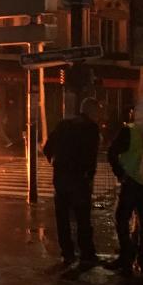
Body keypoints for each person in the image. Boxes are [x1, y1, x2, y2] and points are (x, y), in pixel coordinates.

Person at [43, 97, 100, 265]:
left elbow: (47, 147)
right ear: (92, 112)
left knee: (62, 217)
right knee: (83, 217)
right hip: (79, 178)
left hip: (60, 177)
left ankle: (67, 252)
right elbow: (91, 156)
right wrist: (89, 176)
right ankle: (86, 253)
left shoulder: (64, 124)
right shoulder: (91, 128)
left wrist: (54, 162)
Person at [105, 109, 143, 276]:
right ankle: (142, 260)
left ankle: (126, 256)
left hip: (131, 182)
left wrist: (120, 173)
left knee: (122, 219)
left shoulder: (130, 130)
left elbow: (111, 152)